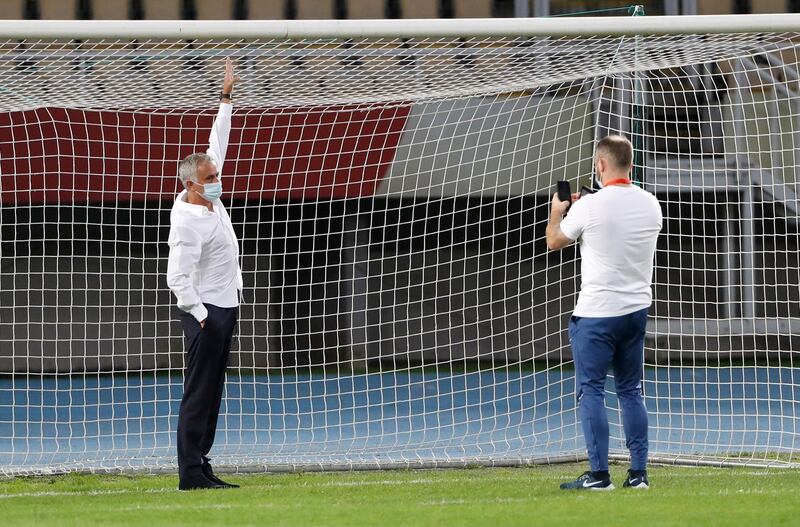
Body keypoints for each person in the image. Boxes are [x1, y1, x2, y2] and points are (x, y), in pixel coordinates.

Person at [545, 135, 662, 491]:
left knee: (591, 391)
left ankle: (599, 475)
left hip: (596, 313)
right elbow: (620, 218)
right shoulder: (650, 203)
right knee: (631, 391)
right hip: (636, 310)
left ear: (599, 165)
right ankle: (638, 474)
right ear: (630, 163)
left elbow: (553, 241)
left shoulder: (589, 207)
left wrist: (558, 211)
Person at [167, 58, 242, 490]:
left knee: (214, 391)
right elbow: (177, 277)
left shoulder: (207, 195)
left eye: (215, 174)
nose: (217, 179)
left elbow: (220, 138)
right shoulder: (187, 222)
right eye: (210, 178)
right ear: (192, 185)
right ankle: (190, 473)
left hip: (227, 301)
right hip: (205, 312)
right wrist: (199, 315)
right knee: (199, 392)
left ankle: (202, 462)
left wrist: (226, 95)